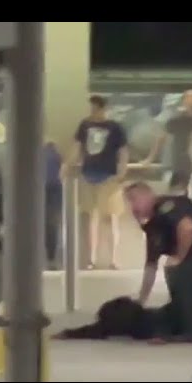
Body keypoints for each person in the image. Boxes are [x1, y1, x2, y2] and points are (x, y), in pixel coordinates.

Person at [125, 182, 192, 341]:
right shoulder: (153, 225)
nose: (132, 206)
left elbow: (187, 227)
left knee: (175, 271)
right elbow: (151, 266)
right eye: (129, 202)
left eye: (134, 199)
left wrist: (179, 258)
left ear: (148, 195)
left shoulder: (167, 206)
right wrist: (141, 301)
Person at [60, 95, 129, 270]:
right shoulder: (85, 125)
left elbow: (123, 151)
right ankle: (91, 258)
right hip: (88, 173)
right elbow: (77, 147)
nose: (92, 112)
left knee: (110, 217)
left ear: (103, 108)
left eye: (95, 108)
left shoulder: (115, 127)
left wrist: (122, 170)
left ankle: (114, 258)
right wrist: (67, 165)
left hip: (109, 176)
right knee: (90, 218)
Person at [54, 296, 192, 341]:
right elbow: (96, 329)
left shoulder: (140, 326)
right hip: (177, 313)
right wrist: (68, 334)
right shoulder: (138, 319)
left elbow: (97, 329)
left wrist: (164, 338)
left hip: (179, 318)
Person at [142, 90, 192, 194]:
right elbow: (161, 137)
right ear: (184, 102)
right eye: (190, 102)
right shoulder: (177, 120)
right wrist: (150, 158)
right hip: (179, 166)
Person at [44, 140, 63, 270]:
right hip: (55, 193)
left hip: (41, 191)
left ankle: (48, 258)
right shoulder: (56, 155)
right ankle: (51, 259)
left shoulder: (38, 154)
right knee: (53, 225)